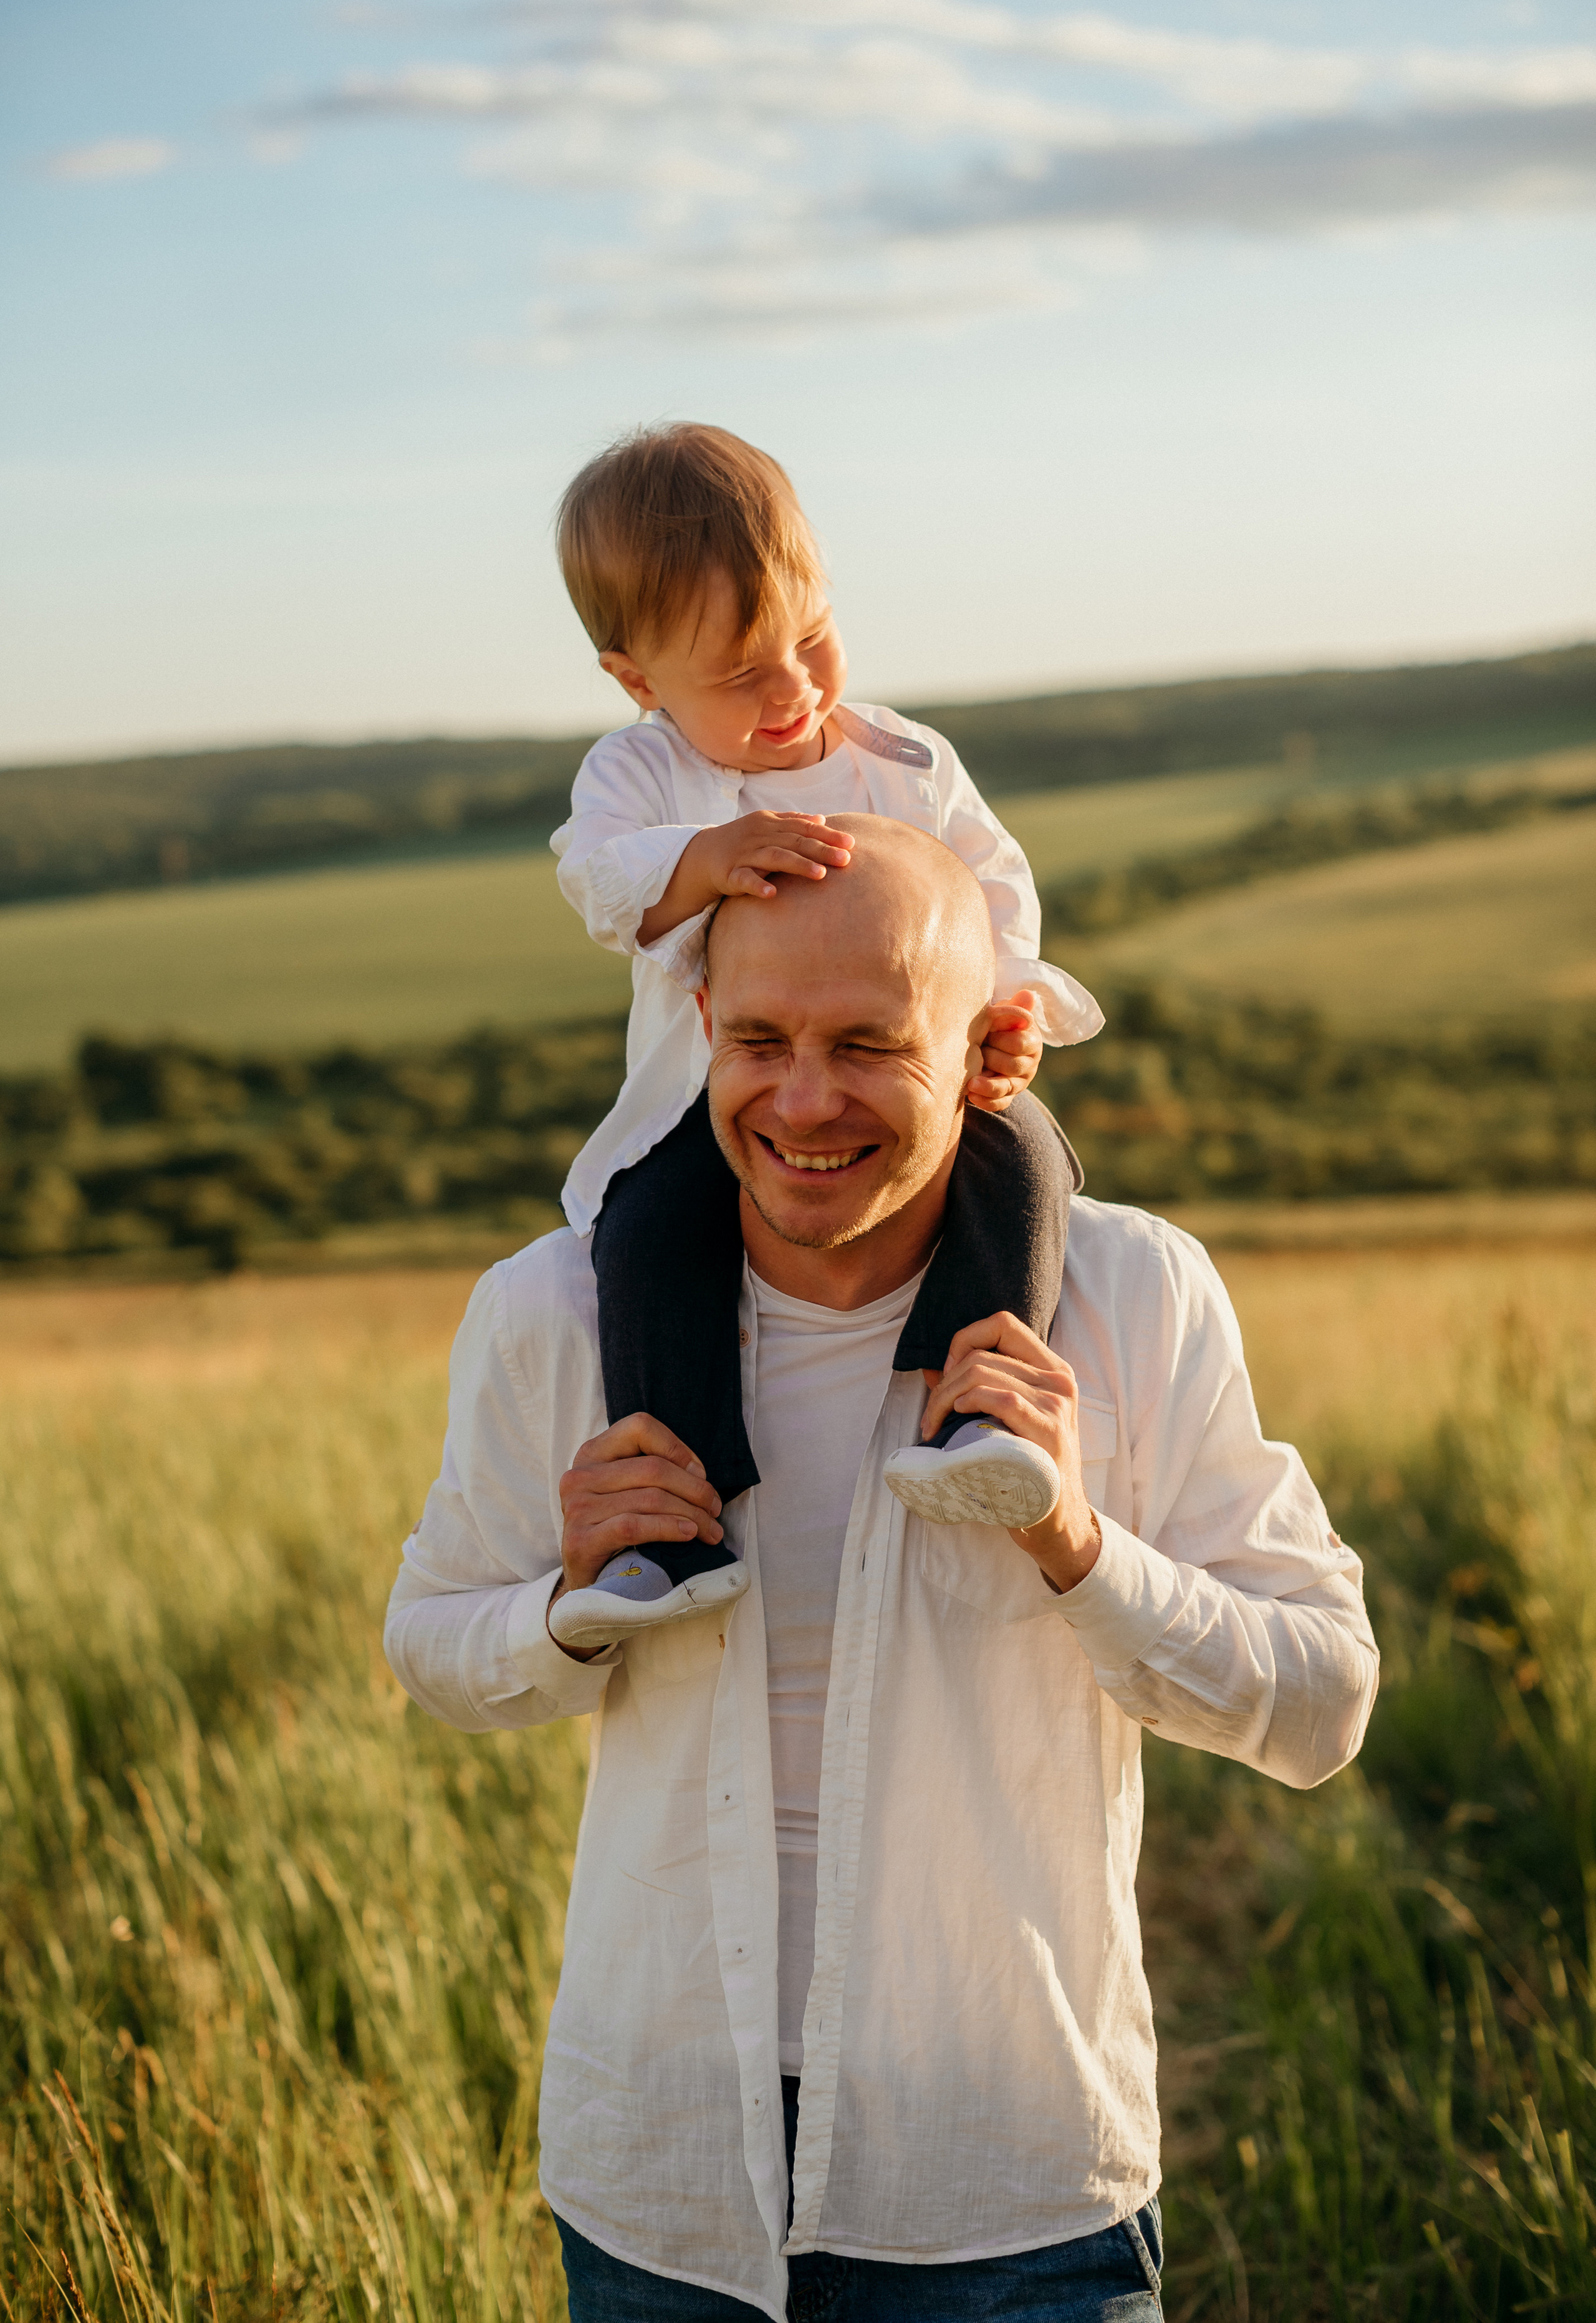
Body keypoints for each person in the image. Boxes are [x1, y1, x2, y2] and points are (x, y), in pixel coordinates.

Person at [385, 817, 1380, 2323]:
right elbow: (431, 1643)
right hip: (664, 2193)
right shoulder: (556, 1315)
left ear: (990, 1049)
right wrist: (557, 1606)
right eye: (763, 1039)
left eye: (865, 1045)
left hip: (1011, 2190)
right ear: (701, 1028)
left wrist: (1077, 1546)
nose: (801, 1100)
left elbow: (1322, 1703)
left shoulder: (1128, 1295)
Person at [544, 423, 1105, 1650]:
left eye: (810, 640)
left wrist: (1004, 1018)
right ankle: (664, 1530)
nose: (796, 693)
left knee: (1027, 1168)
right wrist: (703, 859)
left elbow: (993, 895)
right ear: (638, 680)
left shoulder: (900, 761)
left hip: (914, 1088)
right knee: (647, 1239)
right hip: (718, 1104)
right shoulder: (639, 779)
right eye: (742, 676)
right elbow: (593, 878)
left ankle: (982, 1420)